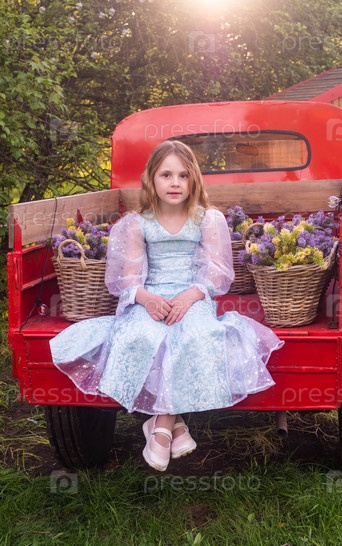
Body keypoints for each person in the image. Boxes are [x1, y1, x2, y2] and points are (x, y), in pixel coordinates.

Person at [50, 140, 284, 472]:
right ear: (151, 179)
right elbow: (129, 278)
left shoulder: (206, 219)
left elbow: (216, 272)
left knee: (195, 335)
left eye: (183, 176)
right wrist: (146, 299)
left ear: (193, 180)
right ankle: (174, 425)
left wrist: (191, 296)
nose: (175, 183)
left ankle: (160, 424)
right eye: (166, 175)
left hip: (193, 295)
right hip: (152, 296)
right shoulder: (138, 223)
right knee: (142, 336)